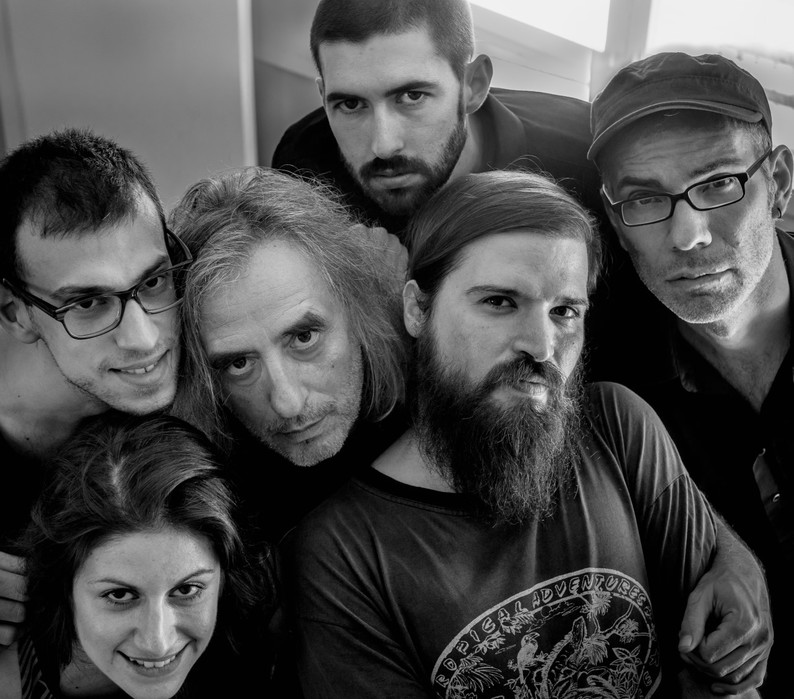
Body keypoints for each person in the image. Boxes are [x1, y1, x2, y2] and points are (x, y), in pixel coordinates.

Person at [282, 170, 771, 698]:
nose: (541, 346)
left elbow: (725, 680)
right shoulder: (342, 553)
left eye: (564, 311)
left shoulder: (618, 426)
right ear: (417, 309)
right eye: (499, 302)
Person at [587, 52, 792, 696]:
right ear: (617, 222)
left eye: (718, 183)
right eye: (645, 199)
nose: (688, 235)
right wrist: (719, 540)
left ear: (780, 182)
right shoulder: (603, 371)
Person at [0, 128, 190, 648]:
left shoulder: (209, 337)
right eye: (87, 303)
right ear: (16, 313)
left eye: (153, 281)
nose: (144, 339)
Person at [169, 166, 409, 542]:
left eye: (304, 337)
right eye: (239, 364)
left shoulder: (438, 392)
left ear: (358, 304)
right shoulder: (201, 504)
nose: (288, 403)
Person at [271, 0, 603, 237]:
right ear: (323, 96)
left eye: (412, 97)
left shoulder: (589, 161)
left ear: (473, 86)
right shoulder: (304, 163)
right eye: (351, 104)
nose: (383, 146)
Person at [6, 413, 271, 699]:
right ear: (65, 587)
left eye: (187, 589)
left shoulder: (261, 653)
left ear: (224, 579)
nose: (157, 643)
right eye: (120, 595)